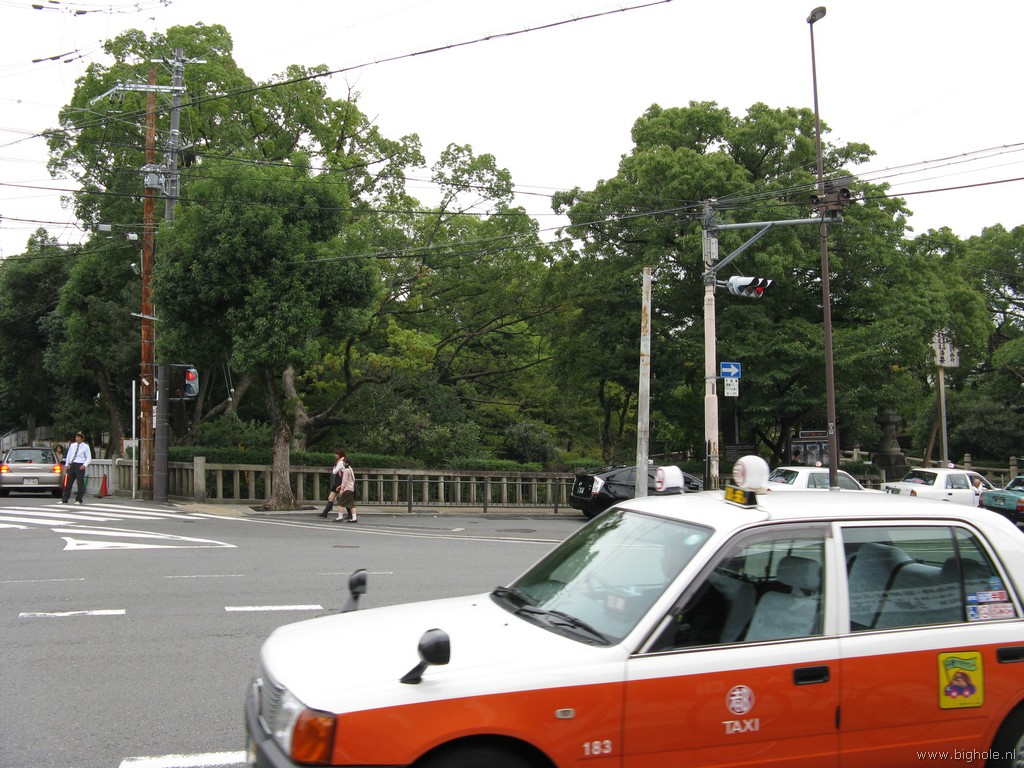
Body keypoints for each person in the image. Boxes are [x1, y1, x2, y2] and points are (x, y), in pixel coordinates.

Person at [62, 431, 92, 505]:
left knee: (80, 483)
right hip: (72, 464)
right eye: (76, 437)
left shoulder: (85, 447)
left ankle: (79, 499)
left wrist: (84, 465)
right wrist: (66, 464)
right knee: (69, 483)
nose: (77, 438)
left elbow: (89, 458)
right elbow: (69, 455)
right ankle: (64, 499)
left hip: (80, 465)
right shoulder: (73, 445)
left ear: (82, 438)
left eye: (78, 437)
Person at [318, 448, 347, 518]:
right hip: (339, 481)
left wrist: (334, 468)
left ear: (340, 454)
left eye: (337, 454)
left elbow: (334, 472)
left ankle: (350, 514)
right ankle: (325, 512)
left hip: (339, 482)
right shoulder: (344, 461)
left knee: (343, 499)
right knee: (331, 497)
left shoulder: (340, 462)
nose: (335, 455)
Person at [335, 457, 357, 523]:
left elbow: (344, 481)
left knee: (340, 502)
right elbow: (352, 480)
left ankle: (340, 517)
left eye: (344, 462)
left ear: (346, 463)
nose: (343, 463)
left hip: (346, 489)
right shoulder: (350, 469)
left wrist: (341, 489)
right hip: (351, 488)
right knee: (351, 504)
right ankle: (354, 518)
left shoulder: (346, 470)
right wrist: (340, 486)